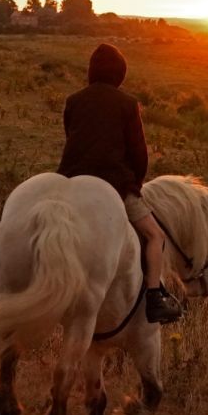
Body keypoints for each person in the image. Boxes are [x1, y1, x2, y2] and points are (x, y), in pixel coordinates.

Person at [57, 43, 183, 324]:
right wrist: (134, 185)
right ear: (120, 74)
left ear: (91, 71)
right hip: (114, 183)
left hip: (70, 180)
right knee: (154, 236)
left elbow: (71, 137)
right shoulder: (127, 104)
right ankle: (154, 297)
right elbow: (140, 154)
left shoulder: (74, 100)